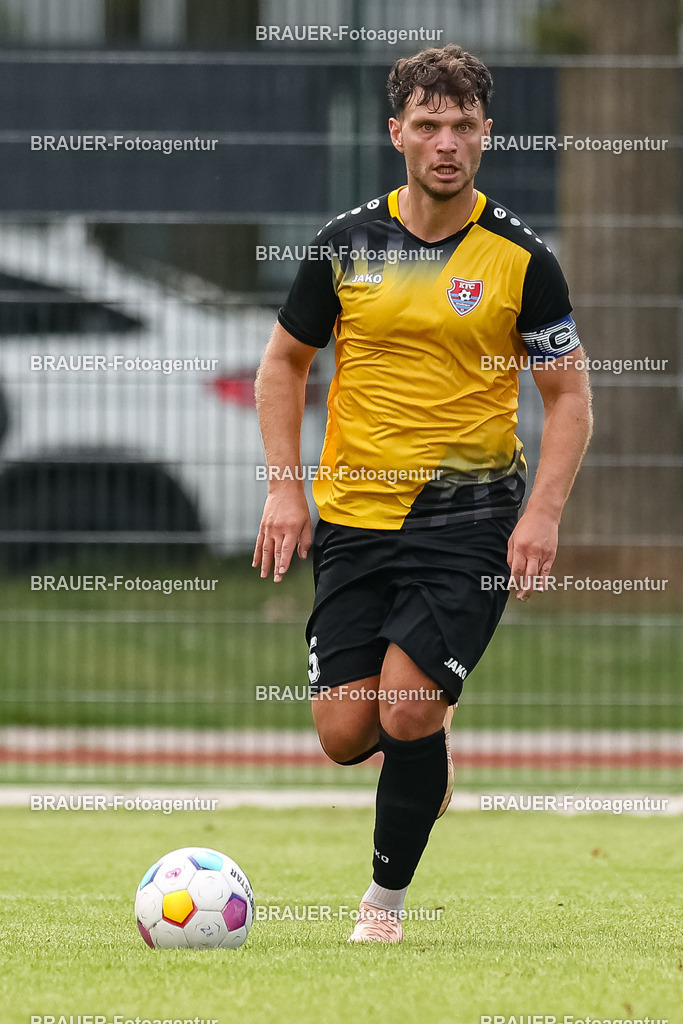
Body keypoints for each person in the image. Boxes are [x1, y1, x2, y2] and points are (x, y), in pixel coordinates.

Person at [253, 44, 592, 943]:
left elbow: (569, 400)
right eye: (429, 126)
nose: (447, 143)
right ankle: (425, 761)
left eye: (464, 126)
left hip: (468, 520)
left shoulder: (522, 260)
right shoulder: (344, 245)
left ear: (486, 134)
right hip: (354, 519)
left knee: (406, 705)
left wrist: (543, 515)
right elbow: (283, 365)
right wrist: (286, 492)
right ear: (395, 132)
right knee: (341, 731)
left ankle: (382, 911)